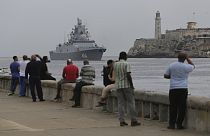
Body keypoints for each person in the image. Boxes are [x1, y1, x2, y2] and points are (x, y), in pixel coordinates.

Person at [164, 52, 195, 129]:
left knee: (173, 107)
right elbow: (193, 66)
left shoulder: (172, 65)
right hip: (183, 88)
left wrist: (173, 77)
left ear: (177, 58)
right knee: (182, 107)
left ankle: (171, 124)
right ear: (184, 59)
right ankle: (179, 124)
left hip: (173, 88)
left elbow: (165, 75)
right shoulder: (186, 66)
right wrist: (188, 58)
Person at [113, 51, 140, 127]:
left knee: (120, 104)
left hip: (118, 86)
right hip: (126, 85)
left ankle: (121, 121)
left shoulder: (115, 64)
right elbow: (128, 75)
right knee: (131, 103)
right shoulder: (126, 64)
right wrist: (132, 85)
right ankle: (133, 120)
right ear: (125, 57)